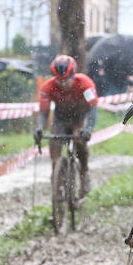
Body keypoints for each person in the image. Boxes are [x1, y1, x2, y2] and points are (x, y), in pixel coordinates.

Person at [34, 54, 99, 195]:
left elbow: (93, 109)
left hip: (80, 118)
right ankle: (56, 175)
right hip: (60, 119)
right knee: (54, 145)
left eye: (66, 80)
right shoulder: (48, 87)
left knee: (80, 140)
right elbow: (44, 113)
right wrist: (39, 127)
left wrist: (88, 129)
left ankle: (84, 172)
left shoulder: (85, 83)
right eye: (59, 80)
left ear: (73, 75)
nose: (62, 84)